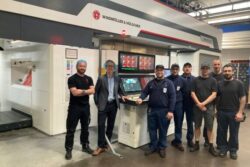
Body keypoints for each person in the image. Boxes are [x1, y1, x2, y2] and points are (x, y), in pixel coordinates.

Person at [136, 65, 176, 158]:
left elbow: (173, 98)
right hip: (152, 110)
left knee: (163, 130)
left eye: (161, 70)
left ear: (163, 72)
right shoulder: (151, 83)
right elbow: (144, 92)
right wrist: (140, 98)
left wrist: (170, 111)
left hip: (164, 111)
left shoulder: (169, 83)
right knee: (152, 130)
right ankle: (153, 146)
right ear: (155, 71)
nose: (159, 72)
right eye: (157, 70)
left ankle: (162, 147)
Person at [93, 60, 126, 156]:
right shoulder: (101, 78)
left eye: (112, 66)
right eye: (108, 66)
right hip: (103, 105)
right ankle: (100, 146)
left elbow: (119, 89)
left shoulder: (117, 78)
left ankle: (106, 144)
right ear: (105, 67)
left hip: (113, 105)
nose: (110, 68)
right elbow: (96, 92)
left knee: (110, 125)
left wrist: (122, 95)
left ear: (114, 68)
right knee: (101, 125)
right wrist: (97, 104)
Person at [65, 59, 95, 160]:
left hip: (86, 107)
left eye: (84, 66)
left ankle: (85, 146)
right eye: (81, 66)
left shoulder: (89, 79)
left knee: (85, 129)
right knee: (70, 129)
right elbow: (74, 93)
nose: (82, 68)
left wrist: (81, 91)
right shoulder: (72, 79)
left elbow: (93, 90)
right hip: (74, 107)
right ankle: (69, 150)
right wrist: (87, 91)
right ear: (77, 67)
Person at [217, 64, 246, 160]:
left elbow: (243, 98)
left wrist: (240, 112)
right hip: (221, 112)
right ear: (223, 72)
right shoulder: (219, 84)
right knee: (221, 132)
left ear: (232, 72)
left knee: (234, 132)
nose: (227, 72)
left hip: (234, 112)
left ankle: (233, 150)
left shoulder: (239, 83)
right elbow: (216, 97)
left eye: (229, 71)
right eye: (225, 71)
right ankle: (223, 148)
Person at [190, 63, 218, 156]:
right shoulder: (195, 80)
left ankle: (211, 146)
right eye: (203, 68)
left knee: (210, 127)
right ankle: (197, 144)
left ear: (209, 70)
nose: (205, 70)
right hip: (197, 107)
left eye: (206, 68)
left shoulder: (213, 80)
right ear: (201, 69)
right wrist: (199, 104)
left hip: (209, 107)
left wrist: (203, 104)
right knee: (197, 126)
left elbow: (214, 94)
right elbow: (192, 93)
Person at [203, 59, 224, 147]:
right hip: (209, 102)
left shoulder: (224, 76)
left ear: (220, 65)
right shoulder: (209, 75)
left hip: (221, 103)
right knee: (208, 122)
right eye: (215, 64)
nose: (216, 66)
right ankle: (207, 140)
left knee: (220, 124)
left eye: (218, 64)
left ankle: (219, 143)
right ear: (213, 65)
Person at [167, 64, 186, 151]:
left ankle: (177, 141)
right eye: (173, 69)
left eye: (176, 69)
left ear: (179, 70)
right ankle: (162, 141)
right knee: (165, 123)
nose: (175, 71)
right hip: (168, 105)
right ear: (171, 70)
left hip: (179, 105)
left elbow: (184, 92)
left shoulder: (182, 80)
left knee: (178, 123)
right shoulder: (166, 79)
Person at [181, 62, 196, 148]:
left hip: (191, 104)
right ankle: (178, 140)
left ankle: (190, 140)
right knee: (178, 122)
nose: (187, 68)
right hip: (180, 104)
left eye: (189, 67)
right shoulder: (179, 78)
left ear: (191, 69)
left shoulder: (195, 79)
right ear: (183, 69)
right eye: (185, 67)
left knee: (190, 123)